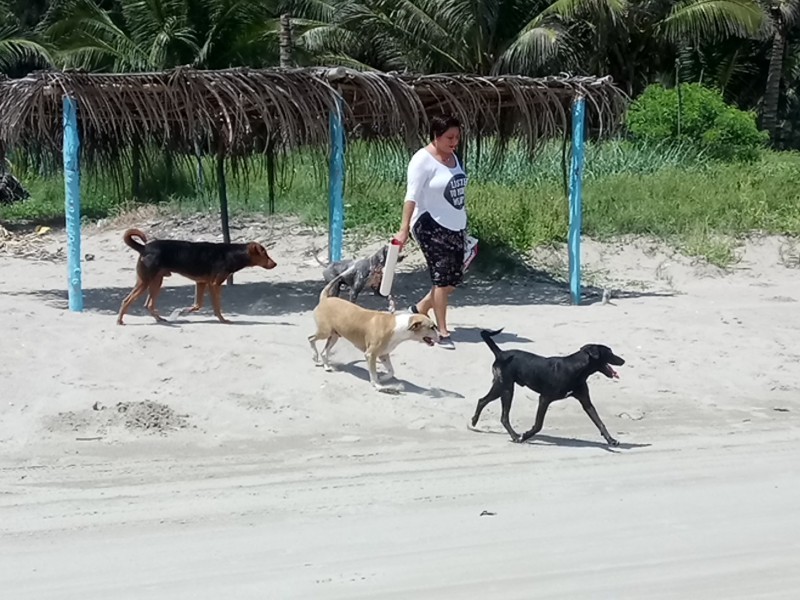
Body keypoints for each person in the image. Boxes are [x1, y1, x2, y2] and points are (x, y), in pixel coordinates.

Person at [395, 114, 468, 351]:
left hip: (455, 224)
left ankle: (420, 308)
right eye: (449, 137)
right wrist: (404, 228)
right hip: (429, 225)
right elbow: (411, 196)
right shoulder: (422, 160)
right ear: (435, 137)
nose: (454, 141)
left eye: (457, 137)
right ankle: (442, 331)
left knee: (453, 280)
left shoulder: (453, 157)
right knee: (440, 278)